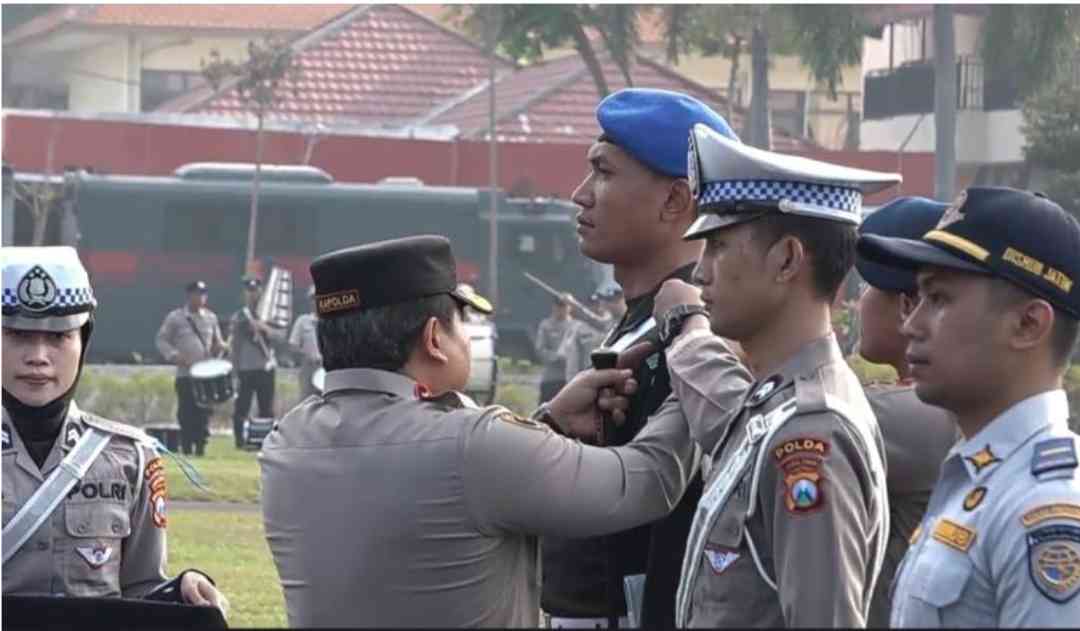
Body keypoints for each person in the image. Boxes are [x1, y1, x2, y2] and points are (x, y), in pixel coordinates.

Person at [258, 235, 697, 628]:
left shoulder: (285, 442)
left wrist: (548, 424)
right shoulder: (474, 446)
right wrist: (696, 345)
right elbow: (649, 479)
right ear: (434, 338)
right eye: (461, 323)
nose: (468, 338)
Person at [654, 123, 899, 627]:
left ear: (787, 259)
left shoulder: (812, 434)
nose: (700, 272)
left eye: (718, 246)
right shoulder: (775, 404)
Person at [545, 87, 738, 629]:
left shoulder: (698, 335)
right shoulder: (645, 318)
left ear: (676, 201)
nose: (581, 195)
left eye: (603, 173)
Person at [858, 187, 1080, 626]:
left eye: (938, 299)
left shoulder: (1047, 508)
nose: (912, 323)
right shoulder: (979, 475)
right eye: (916, 297)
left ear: (1028, 324)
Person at [2, 246, 228, 619]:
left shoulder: (131, 457)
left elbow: (141, 590)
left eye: (59, 337)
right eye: (17, 335)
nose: (38, 356)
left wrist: (181, 589)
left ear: (83, 342)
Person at [854, 196, 960, 625]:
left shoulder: (909, 412)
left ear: (906, 305)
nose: (858, 302)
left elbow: (752, 417)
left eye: (866, 289)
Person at [155, 280, 227, 456]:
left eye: (203, 294)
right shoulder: (176, 317)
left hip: (206, 375)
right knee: (187, 411)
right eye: (197, 294)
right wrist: (174, 355)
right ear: (189, 296)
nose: (201, 298)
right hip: (185, 374)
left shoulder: (211, 318)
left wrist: (221, 348)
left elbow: (218, 341)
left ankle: (200, 447)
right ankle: (186, 446)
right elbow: (161, 340)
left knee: (204, 412)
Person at [228, 277, 286, 449]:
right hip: (246, 368)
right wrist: (235, 367)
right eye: (249, 290)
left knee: (266, 409)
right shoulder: (240, 316)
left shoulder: (270, 315)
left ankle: (266, 442)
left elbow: (281, 337)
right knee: (241, 408)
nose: (252, 294)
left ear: (261, 291)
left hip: (266, 367)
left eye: (255, 290)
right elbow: (235, 345)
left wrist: (263, 328)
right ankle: (239, 442)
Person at [535, 294, 575, 403]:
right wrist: (555, 357)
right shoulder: (546, 325)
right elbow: (540, 350)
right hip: (551, 378)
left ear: (569, 307)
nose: (561, 309)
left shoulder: (576, 326)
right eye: (558, 306)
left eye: (564, 306)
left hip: (570, 379)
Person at [289, 285, 321, 400]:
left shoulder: (332, 322)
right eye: (313, 298)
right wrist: (307, 355)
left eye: (319, 297)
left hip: (326, 370)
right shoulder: (302, 321)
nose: (316, 301)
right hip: (308, 369)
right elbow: (293, 346)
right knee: (307, 403)